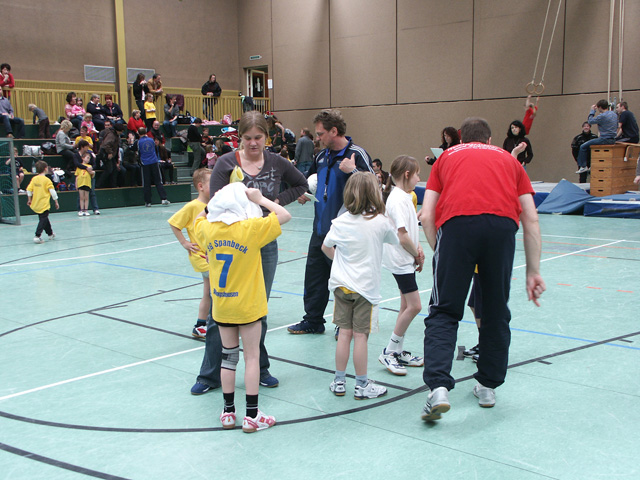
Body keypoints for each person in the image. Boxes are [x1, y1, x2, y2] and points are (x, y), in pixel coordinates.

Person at [418, 117, 545, 421]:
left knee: (444, 311)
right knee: (495, 311)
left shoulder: (446, 157)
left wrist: (441, 252)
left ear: (461, 139)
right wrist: (533, 271)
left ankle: (439, 388)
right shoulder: (510, 161)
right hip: (501, 228)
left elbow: (426, 215)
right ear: (489, 140)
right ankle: (487, 386)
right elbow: (530, 218)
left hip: (457, 227)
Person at [191, 111, 308, 395]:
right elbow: (216, 204)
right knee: (220, 308)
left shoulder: (278, 162)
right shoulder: (226, 162)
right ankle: (210, 374)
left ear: (267, 137)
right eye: (247, 138)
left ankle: (260, 368)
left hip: (262, 242)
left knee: (258, 308)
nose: (253, 143)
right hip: (230, 243)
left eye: (258, 137)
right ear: (240, 138)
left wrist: (276, 200)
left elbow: (301, 185)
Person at [194, 183, 291, 432]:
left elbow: (198, 218)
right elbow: (284, 215)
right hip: (248, 306)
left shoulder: (208, 230)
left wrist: (213, 203)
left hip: (222, 306)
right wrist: (260, 199)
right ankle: (252, 415)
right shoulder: (251, 228)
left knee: (228, 357)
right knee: (251, 358)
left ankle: (228, 412)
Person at [288, 108, 374, 335]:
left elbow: (374, 187)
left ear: (334, 131)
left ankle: (345, 324)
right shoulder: (321, 157)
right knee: (314, 278)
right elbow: (311, 182)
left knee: (345, 280)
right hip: (320, 229)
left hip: (346, 234)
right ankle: (313, 320)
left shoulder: (356, 154)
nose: (317, 138)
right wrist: (304, 193)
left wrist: (353, 171)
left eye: (320, 134)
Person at [322, 172, 398, 399]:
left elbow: (326, 247)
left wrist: (341, 263)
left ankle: (339, 381)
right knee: (361, 336)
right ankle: (362, 385)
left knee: (344, 334)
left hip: (341, 286)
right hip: (365, 289)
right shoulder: (380, 222)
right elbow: (395, 239)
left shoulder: (340, 222)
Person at [379, 155, 425, 376]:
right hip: (400, 260)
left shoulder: (405, 197)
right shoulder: (396, 199)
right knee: (415, 306)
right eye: (417, 174)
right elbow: (402, 235)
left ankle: (397, 351)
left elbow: (411, 230)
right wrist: (416, 255)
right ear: (407, 174)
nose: (419, 178)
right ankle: (389, 351)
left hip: (406, 257)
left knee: (405, 306)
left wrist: (419, 249)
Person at [168, 168, 212, 339]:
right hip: (202, 257)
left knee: (209, 291)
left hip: (213, 255)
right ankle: (207, 324)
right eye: (212, 183)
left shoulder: (214, 204)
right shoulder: (193, 206)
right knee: (215, 289)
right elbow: (174, 223)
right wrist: (184, 243)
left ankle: (202, 324)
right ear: (200, 186)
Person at [576, 99, 618, 174]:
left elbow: (590, 121)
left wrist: (592, 111)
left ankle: (583, 166)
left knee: (583, 147)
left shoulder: (602, 116)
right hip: (613, 139)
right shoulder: (614, 114)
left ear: (600, 107)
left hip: (604, 139)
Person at [26, 160, 59, 244]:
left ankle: (50, 234)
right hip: (44, 204)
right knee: (43, 219)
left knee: (44, 218)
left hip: (36, 203)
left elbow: (29, 190)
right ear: (45, 168)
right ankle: (37, 236)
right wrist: (56, 201)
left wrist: (29, 199)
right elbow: (52, 192)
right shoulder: (47, 180)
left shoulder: (34, 179)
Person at [138, 127, 170, 207]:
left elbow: (138, 152)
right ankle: (163, 199)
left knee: (146, 183)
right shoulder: (152, 140)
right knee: (158, 181)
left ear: (138, 133)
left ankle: (148, 202)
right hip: (154, 162)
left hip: (145, 164)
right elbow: (155, 149)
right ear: (146, 132)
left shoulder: (138, 142)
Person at [96, 123, 125, 189]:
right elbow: (106, 145)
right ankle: (98, 185)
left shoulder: (114, 134)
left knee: (114, 169)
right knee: (109, 169)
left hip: (110, 154)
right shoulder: (111, 135)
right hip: (105, 154)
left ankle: (113, 185)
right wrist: (110, 153)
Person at [76, 151, 95, 216]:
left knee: (86, 197)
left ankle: (86, 210)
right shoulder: (79, 166)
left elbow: (92, 175)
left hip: (87, 183)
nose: (88, 159)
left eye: (89, 158)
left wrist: (92, 172)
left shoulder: (90, 166)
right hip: (81, 183)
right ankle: (81, 210)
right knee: (81, 197)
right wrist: (76, 184)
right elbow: (77, 176)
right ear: (83, 158)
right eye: (87, 158)